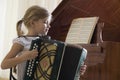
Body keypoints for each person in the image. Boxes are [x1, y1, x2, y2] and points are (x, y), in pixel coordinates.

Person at [1, 5, 87, 80]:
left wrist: (77, 68)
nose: (49, 26)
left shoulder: (49, 44)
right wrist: (23, 57)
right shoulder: (21, 41)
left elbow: (57, 65)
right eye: (45, 22)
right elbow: (4, 65)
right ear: (33, 23)